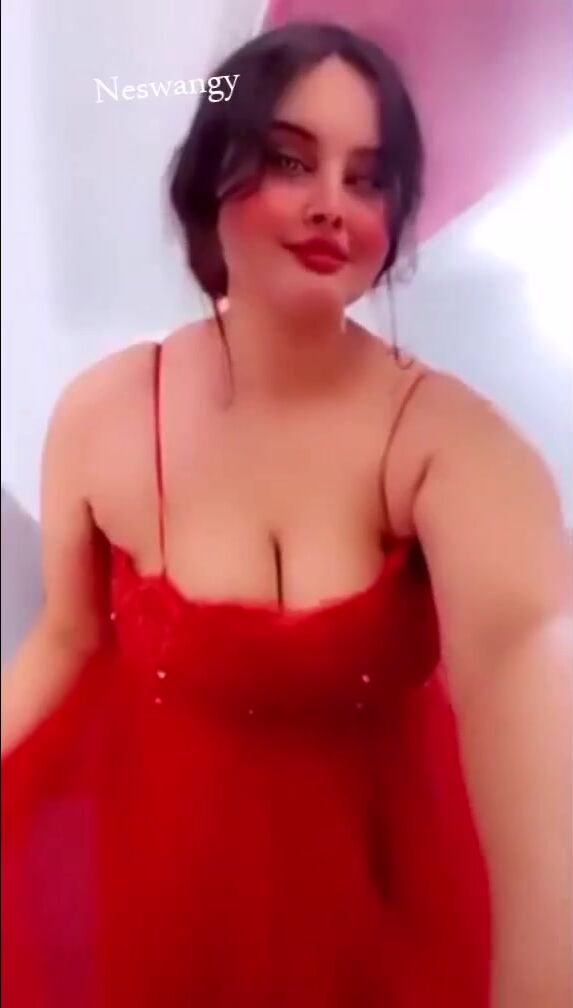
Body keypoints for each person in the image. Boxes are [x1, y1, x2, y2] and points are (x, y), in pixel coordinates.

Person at [2, 20, 571, 1008]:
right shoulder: (105, 418)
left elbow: (527, 678)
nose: (329, 205)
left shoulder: (447, 445)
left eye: (367, 178)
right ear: (211, 175)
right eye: (291, 161)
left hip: (379, 923)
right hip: (164, 897)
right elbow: (66, 637)